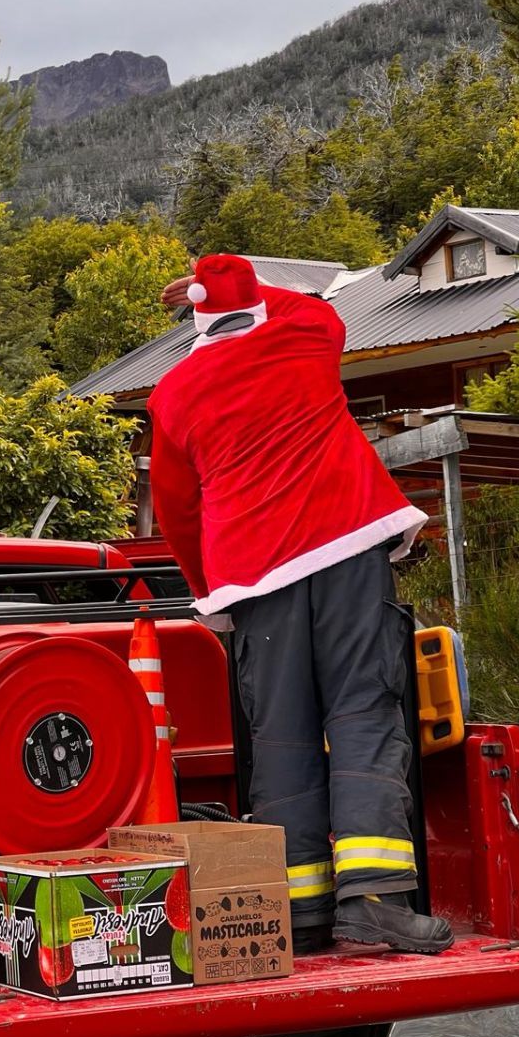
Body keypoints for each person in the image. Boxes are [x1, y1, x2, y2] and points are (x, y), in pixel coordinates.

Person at [149, 254, 453, 955]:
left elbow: (176, 511)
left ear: (193, 322)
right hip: (346, 544)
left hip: (250, 575)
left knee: (280, 732)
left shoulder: (173, 393)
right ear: (257, 300)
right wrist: (238, 281)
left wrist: (209, 593)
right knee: (362, 712)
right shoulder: (305, 333)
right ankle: (375, 900)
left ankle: (303, 907)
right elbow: (301, 306)